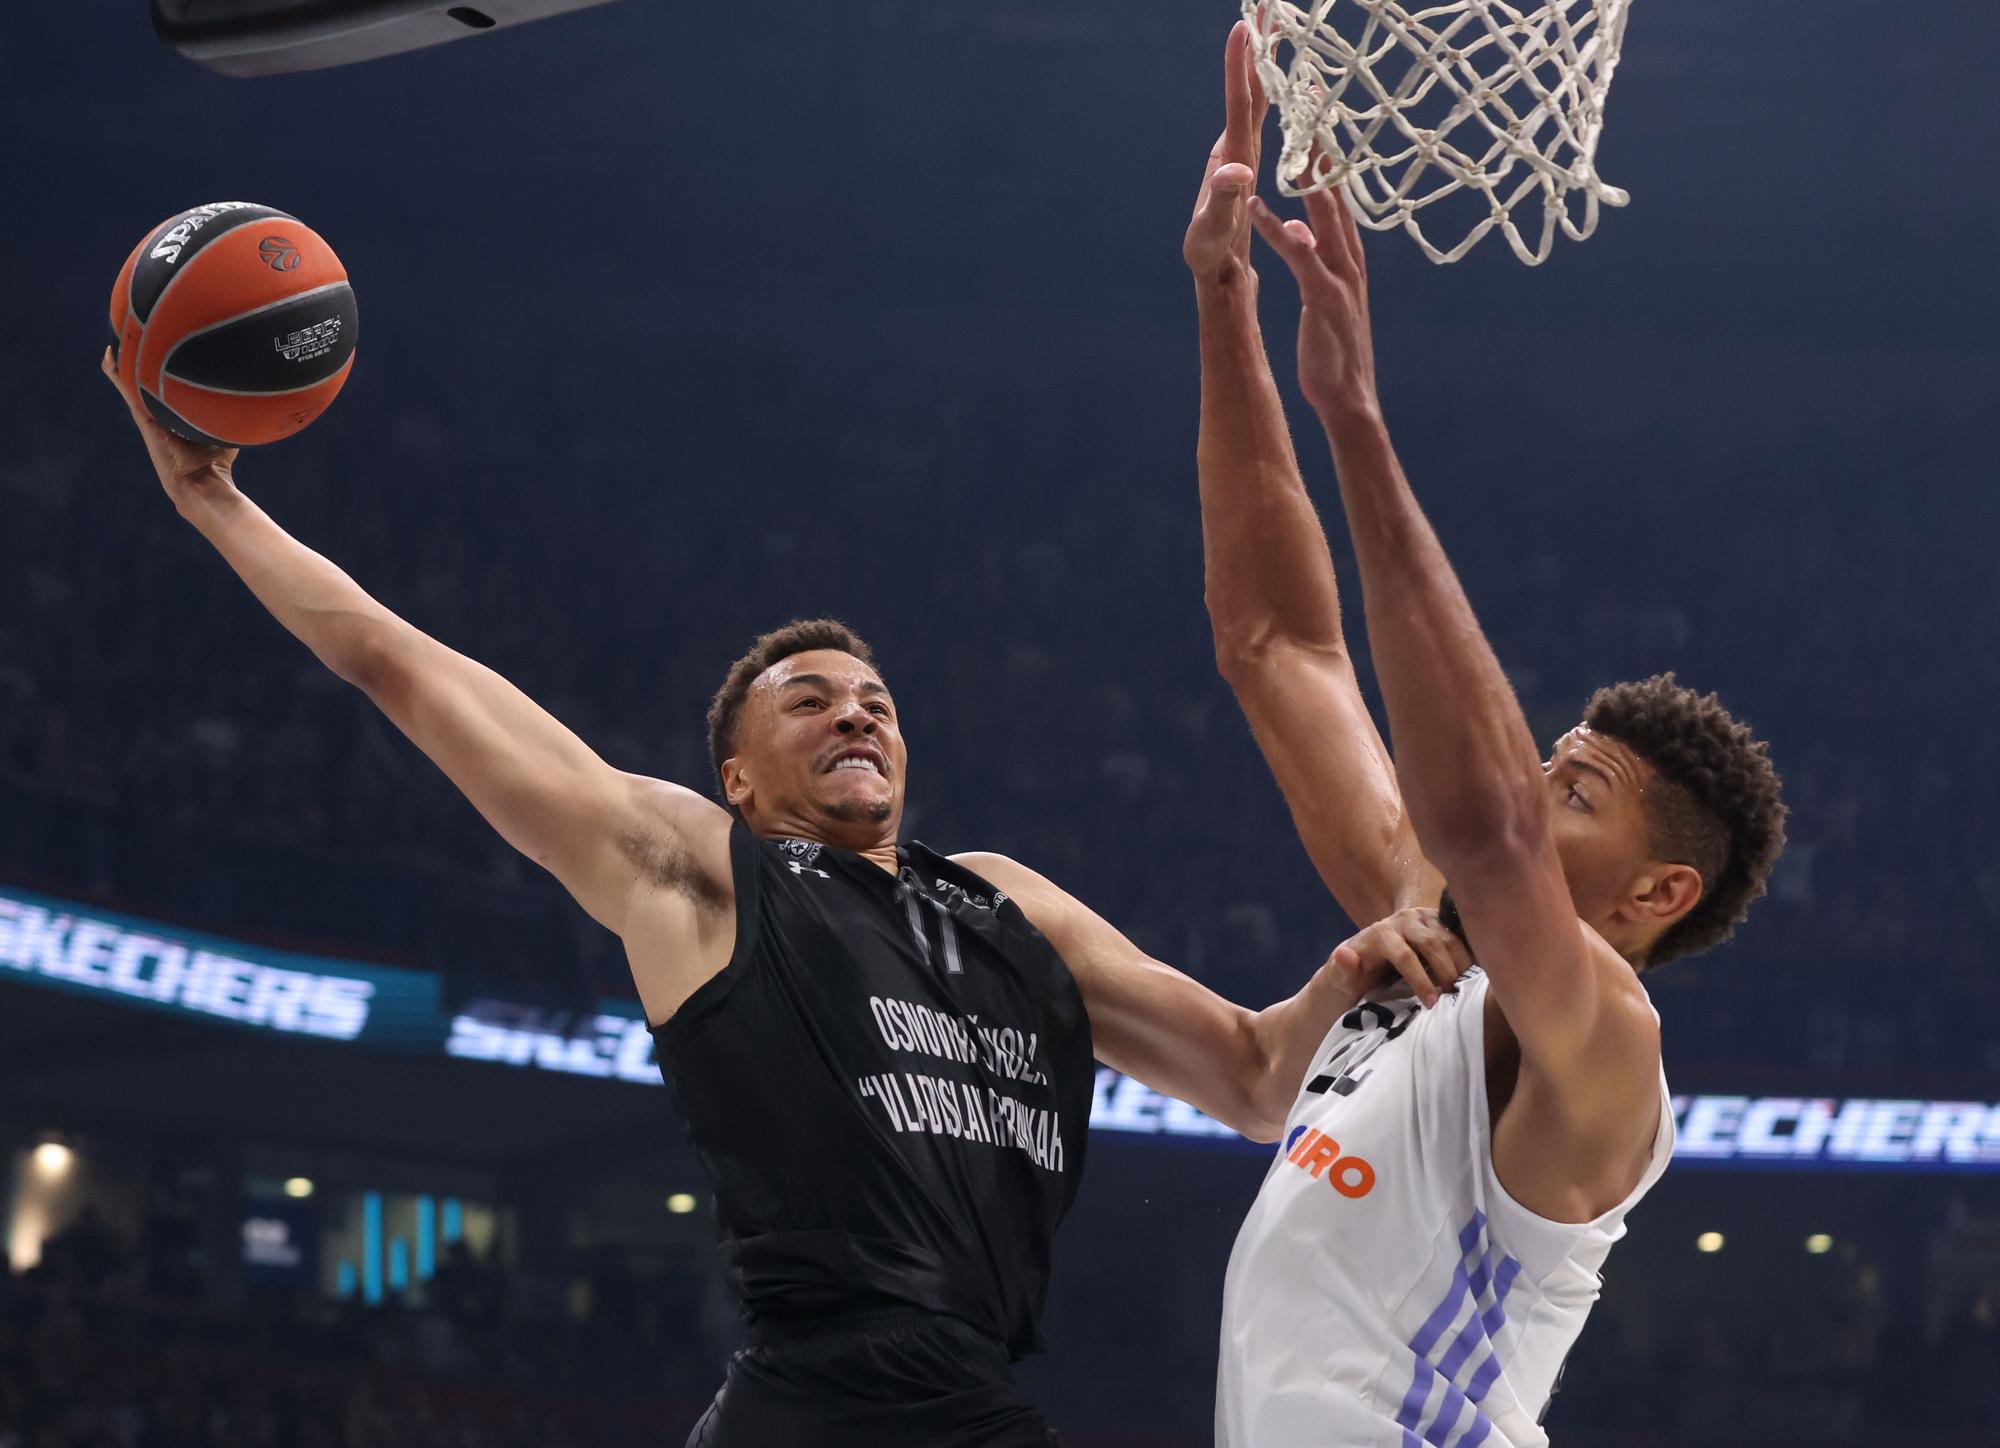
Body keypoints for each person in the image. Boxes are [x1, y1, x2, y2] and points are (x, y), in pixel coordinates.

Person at [99, 348, 1466, 1446]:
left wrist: (1353, 975)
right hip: (814, 1397)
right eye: (807, 703)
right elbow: (403, 668)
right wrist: (216, 500)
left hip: (969, 1397)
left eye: (875, 702)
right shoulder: (704, 873)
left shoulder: (1005, 906)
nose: (855, 715)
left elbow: (1248, 1076)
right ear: (738, 777)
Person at [1181, 23, 1789, 1448]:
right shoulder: (1426, 930)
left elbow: (1485, 829)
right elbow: (1276, 646)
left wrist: (1359, 421)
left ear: (1655, 895)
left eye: (1575, 792)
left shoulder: (1606, 1052)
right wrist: (1222, 301)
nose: (1528, 784)